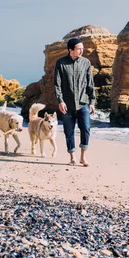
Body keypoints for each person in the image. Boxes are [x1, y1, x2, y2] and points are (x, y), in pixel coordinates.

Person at [54, 37, 96, 167]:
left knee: (86, 128)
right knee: (69, 131)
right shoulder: (61, 63)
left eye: (82, 48)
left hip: (83, 102)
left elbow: (90, 82)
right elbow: (57, 84)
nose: (82, 51)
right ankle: (72, 157)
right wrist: (60, 101)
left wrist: (92, 101)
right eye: (79, 49)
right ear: (71, 50)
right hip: (67, 104)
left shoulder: (86, 63)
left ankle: (83, 157)